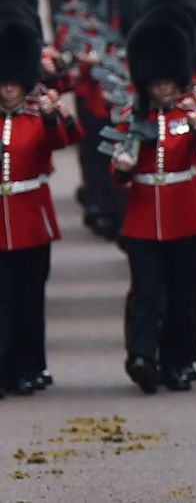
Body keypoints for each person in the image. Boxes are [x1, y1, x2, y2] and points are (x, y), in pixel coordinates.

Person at [110, 19, 196, 393]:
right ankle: (140, 356)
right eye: (156, 83)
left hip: (184, 216)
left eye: (167, 81)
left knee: (181, 293)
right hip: (141, 218)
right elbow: (115, 166)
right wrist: (121, 169)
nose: (162, 88)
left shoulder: (190, 114)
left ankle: (178, 362)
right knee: (146, 291)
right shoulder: (129, 117)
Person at [0, 22, 81, 396]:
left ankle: (27, 367)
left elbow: (66, 138)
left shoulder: (38, 113)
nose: (7, 88)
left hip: (31, 217)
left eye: (13, 82)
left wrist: (53, 117)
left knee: (28, 299)